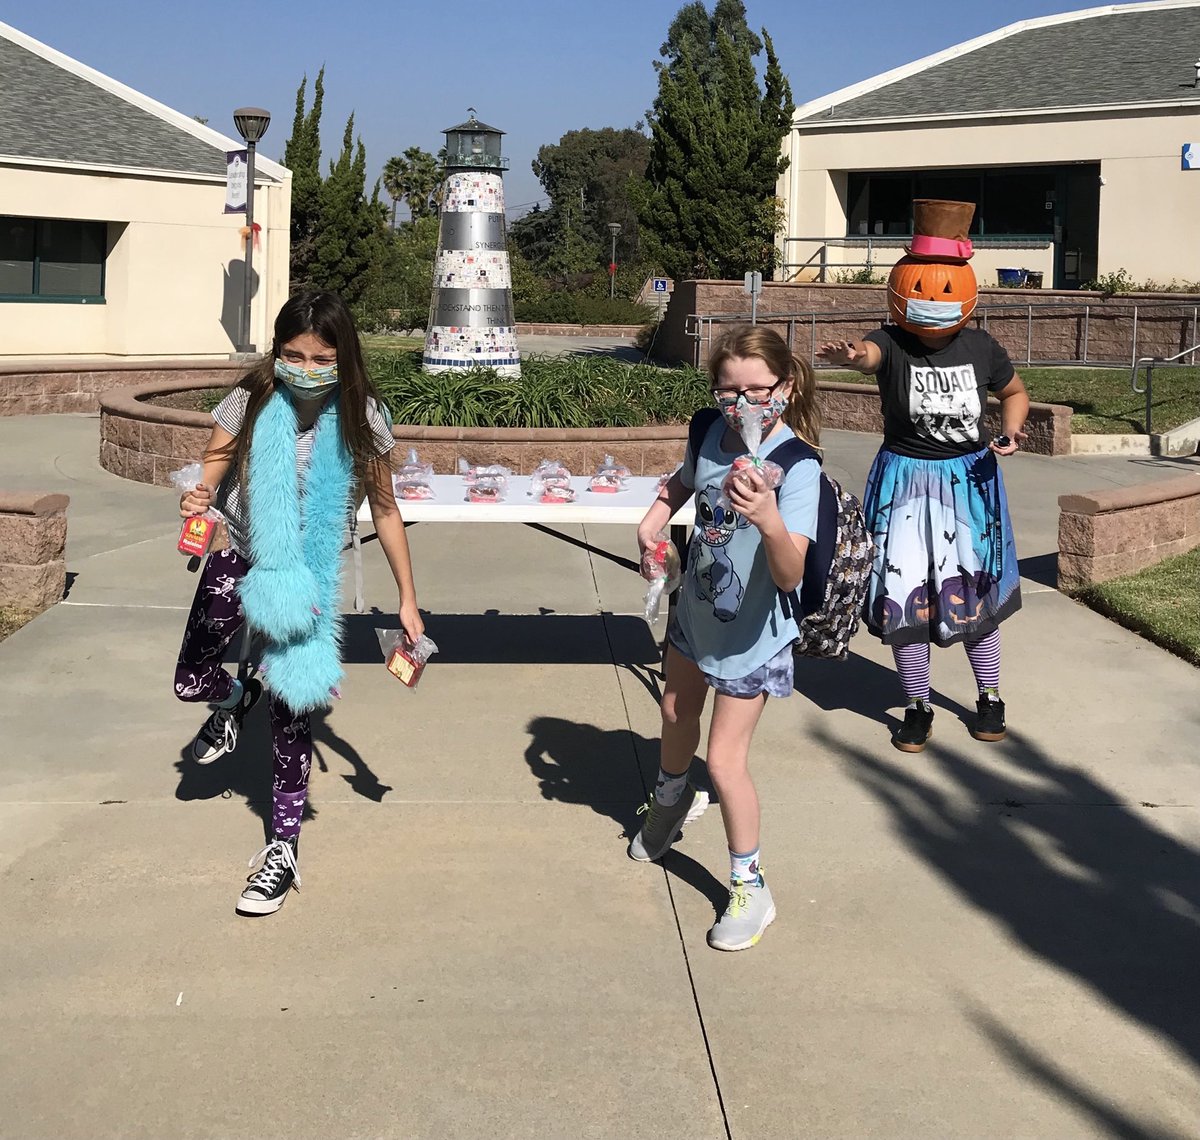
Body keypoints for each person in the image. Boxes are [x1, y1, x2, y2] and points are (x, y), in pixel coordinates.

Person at [174, 291, 423, 917]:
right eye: (292, 355)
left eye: (320, 358)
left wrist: (408, 601)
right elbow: (215, 461)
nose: (305, 368)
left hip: (307, 580)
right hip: (240, 556)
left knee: (294, 714)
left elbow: (386, 509)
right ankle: (236, 696)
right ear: (276, 353)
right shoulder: (253, 399)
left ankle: (282, 848)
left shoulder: (364, 415)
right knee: (190, 679)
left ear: (344, 358)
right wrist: (198, 497)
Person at [631, 325, 822, 952]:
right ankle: (668, 799)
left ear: (785, 390)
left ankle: (751, 886)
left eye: (756, 391)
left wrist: (768, 519)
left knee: (725, 761)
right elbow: (686, 481)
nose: (741, 405)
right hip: (697, 614)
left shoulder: (797, 467)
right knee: (674, 712)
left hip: (755, 635)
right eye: (728, 390)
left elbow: (791, 572)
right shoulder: (708, 433)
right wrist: (654, 521)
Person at [817, 198, 1028, 754]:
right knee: (902, 593)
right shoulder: (891, 341)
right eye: (920, 287)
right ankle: (917, 705)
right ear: (899, 288)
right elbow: (867, 356)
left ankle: (989, 698)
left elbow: (1014, 393)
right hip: (904, 482)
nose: (932, 297)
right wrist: (852, 354)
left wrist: (1010, 429)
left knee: (974, 593)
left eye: (945, 288)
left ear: (968, 290)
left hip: (970, 484)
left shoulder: (982, 346)